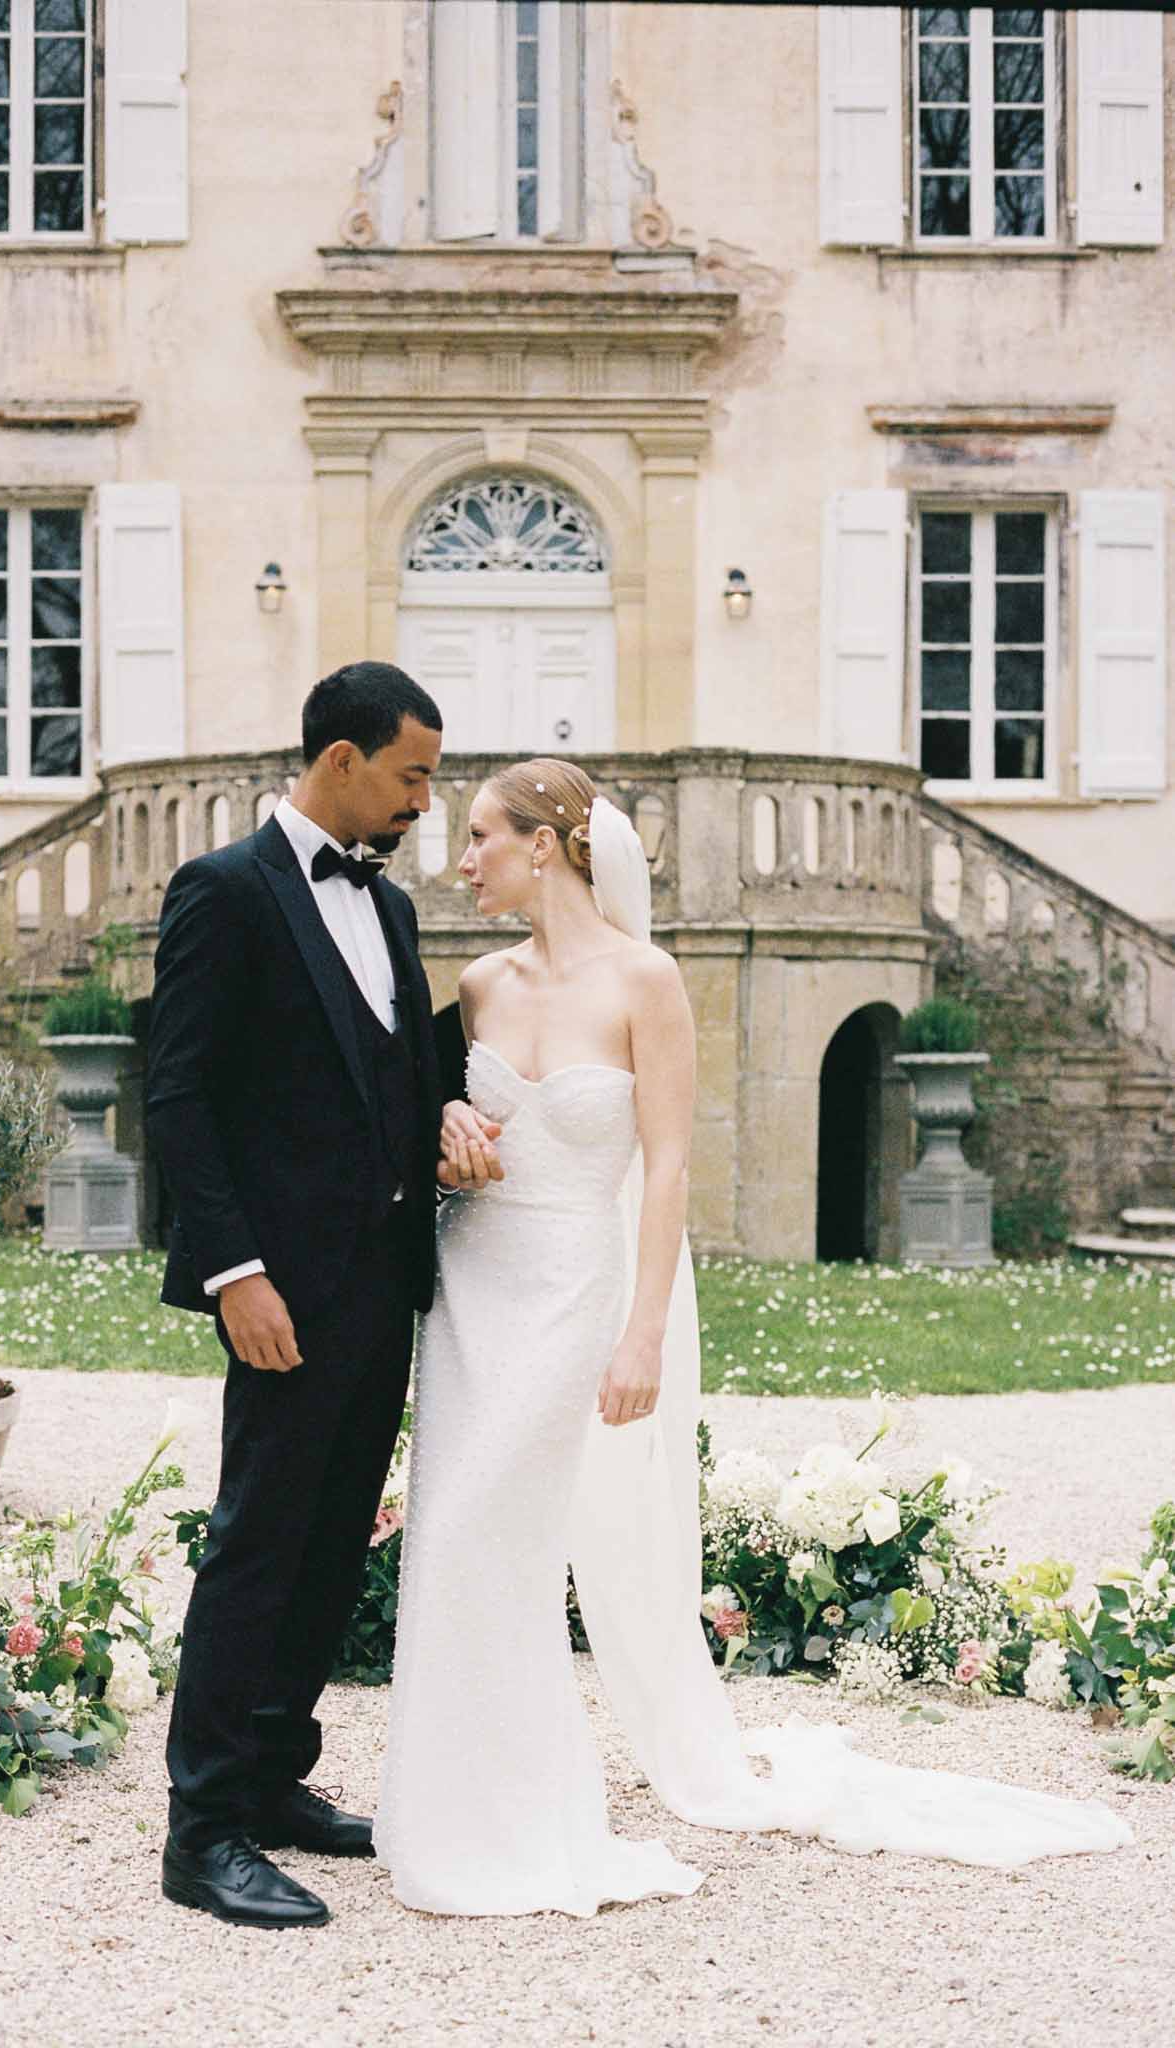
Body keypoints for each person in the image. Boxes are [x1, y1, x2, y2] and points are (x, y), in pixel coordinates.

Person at [373, 758, 1134, 1917]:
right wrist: (444, 1118)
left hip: (576, 1287)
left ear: (547, 844)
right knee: (451, 1524)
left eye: (478, 835)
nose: (459, 858)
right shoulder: (476, 984)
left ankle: (529, 1812)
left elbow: (669, 1166)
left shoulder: (647, 980)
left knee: (512, 1537)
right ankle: (443, 1806)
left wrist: (641, 1334)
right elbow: (423, 1120)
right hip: (473, 1283)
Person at [147, 661, 493, 1930]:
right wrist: (234, 1271)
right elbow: (179, 1092)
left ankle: (277, 1777)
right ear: (339, 758)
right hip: (278, 1289)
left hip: (381, 1283)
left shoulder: (390, 910)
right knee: (256, 1541)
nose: (423, 803)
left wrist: (447, 1111)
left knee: (332, 1539)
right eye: (411, 777)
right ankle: (204, 1829)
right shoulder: (223, 891)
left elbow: (394, 1072)